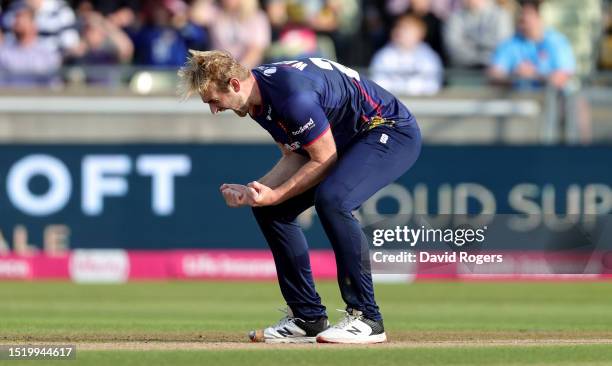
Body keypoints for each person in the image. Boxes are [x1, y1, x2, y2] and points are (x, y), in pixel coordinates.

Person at [178, 50, 421, 344]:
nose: (214, 110)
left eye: (214, 101)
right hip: (346, 138)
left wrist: (277, 192)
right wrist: (256, 190)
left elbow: (323, 158)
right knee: (269, 210)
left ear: (234, 84)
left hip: (388, 129)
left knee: (334, 201)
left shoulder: (291, 97)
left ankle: (367, 317)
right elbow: (297, 154)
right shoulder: (256, 101)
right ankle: (308, 318)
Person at [488, 0, 575, 90]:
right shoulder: (511, 43)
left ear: (539, 16)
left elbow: (561, 78)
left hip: (552, 100)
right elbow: (494, 74)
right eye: (522, 13)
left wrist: (534, 75)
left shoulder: (556, 41)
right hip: (519, 100)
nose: (524, 18)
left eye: (529, 14)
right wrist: (514, 76)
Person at [370, 15, 443, 96]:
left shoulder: (429, 56)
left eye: (407, 29)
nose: (400, 32)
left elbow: (433, 85)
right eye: (399, 27)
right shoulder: (383, 55)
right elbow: (377, 85)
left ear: (420, 33)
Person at [0, 3, 62, 87]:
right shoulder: (4, 51)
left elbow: (54, 85)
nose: (18, 22)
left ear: (34, 24)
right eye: (16, 18)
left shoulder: (47, 54)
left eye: (23, 18)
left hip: (38, 98)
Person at [444, 0, 513, 68]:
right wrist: (481, 53)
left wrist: (471, 43)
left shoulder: (501, 15)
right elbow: (453, 47)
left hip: (494, 69)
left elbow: (503, 46)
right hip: (462, 69)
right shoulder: (455, 17)